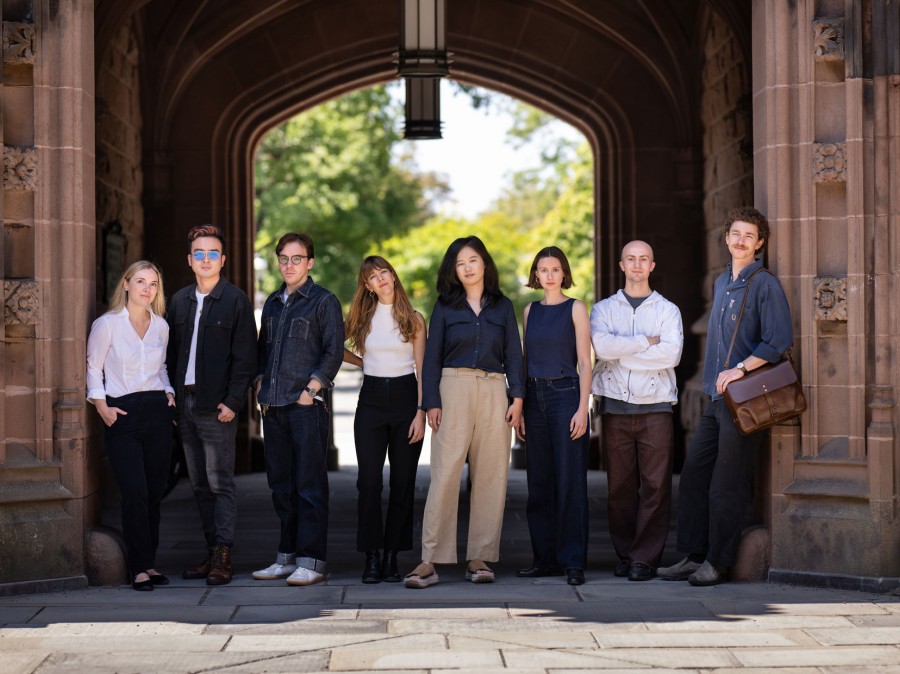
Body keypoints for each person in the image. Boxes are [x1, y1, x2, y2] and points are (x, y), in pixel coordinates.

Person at [658, 207, 792, 586]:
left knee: (727, 484)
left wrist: (740, 369)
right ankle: (694, 554)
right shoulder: (721, 283)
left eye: (749, 236)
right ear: (726, 237)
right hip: (717, 401)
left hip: (747, 399)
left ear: (760, 243)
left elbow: (778, 340)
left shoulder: (765, 284)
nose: (740, 240)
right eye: (735, 233)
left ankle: (718, 563)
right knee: (695, 476)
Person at [404, 235, 525, 589]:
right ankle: (430, 560)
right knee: (444, 475)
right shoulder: (444, 307)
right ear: (453, 271)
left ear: (484, 263)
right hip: (451, 388)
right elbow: (431, 357)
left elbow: (514, 354)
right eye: (460, 263)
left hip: (493, 390)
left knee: (491, 477)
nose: (467, 267)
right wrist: (431, 403)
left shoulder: (502, 307)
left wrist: (516, 399)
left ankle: (480, 557)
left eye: (472, 260)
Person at [166, 225, 257, 586]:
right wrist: (169, 396)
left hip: (216, 407)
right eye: (199, 254)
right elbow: (169, 353)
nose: (205, 260)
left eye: (212, 253)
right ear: (190, 261)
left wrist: (233, 402)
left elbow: (245, 358)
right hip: (184, 403)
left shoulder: (235, 300)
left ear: (223, 259)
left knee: (221, 484)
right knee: (199, 485)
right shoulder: (178, 301)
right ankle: (209, 552)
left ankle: (223, 555)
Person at [253, 232, 344, 587]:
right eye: (284, 259)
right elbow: (264, 349)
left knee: (309, 487)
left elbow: (333, 352)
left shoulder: (324, 301)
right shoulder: (273, 302)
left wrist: (311, 389)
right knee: (281, 487)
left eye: (297, 259)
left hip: (305, 407)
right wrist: (260, 381)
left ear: (310, 262)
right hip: (273, 407)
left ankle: (313, 561)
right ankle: (286, 557)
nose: (289, 265)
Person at [590, 240, 684, 582]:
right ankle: (625, 553)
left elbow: (670, 356)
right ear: (621, 265)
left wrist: (621, 350)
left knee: (657, 486)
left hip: (656, 408)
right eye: (631, 259)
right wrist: (647, 341)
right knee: (620, 488)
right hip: (615, 407)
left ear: (652, 266)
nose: (637, 265)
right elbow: (602, 347)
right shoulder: (603, 309)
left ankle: (644, 558)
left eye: (644, 259)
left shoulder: (667, 310)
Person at [86, 260, 176, 591]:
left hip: (156, 411)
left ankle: (149, 563)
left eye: (153, 284)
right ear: (125, 284)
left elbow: (162, 366)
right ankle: (137, 568)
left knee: (154, 494)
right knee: (134, 492)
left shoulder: (161, 327)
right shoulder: (107, 324)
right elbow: (93, 369)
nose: (147, 289)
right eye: (140, 282)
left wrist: (168, 392)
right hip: (121, 414)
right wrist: (102, 407)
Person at [343, 256, 426, 583]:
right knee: (369, 482)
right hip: (372, 400)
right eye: (373, 277)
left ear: (393, 275)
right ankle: (372, 556)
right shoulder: (361, 318)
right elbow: (332, 344)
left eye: (384, 273)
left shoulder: (414, 319)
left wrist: (421, 412)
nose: (381, 279)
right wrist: (362, 363)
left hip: (407, 400)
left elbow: (423, 371)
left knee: (403, 482)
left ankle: (393, 555)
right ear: (367, 285)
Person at [515, 247, 592, 586]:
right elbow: (524, 359)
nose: (548, 275)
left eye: (555, 269)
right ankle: (544, 559)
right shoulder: (529, 311)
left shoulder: (576, 308)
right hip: (534, 399)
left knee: (570, 481)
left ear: (564, 273)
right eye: (542, 269)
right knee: (540, 483)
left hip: (565, 397)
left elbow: (586, 362)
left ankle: (572, 561)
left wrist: (582, 408)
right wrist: (518, 405)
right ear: (536, 274)